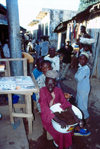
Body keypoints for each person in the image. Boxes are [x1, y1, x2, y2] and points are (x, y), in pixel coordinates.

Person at [39, 70, 73, 149]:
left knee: (68, 128)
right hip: (47, 117)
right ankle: (58, 143)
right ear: (45, 83)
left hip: (57, 114)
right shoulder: (42, 91)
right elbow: (45, 108)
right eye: (48, 83)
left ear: (56, 83)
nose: (50, 86)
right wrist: (59, 121)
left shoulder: (58, 90)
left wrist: (76, 117)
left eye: (53, 84)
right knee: (60, 131)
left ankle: (67, 144)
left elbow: (65, 103)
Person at [75, 52, 90, 123]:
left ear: (86, 60)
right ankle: (83, 117)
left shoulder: (86, 69)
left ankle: (86, 118)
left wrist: (77, 74)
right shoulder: (81, 67)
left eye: (83, 59)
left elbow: (78, 78)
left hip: (84, 89)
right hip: (80, 88)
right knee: (79, 102)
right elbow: (76, 76)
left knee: (82, 104)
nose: (81, 61)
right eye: (80, 59)